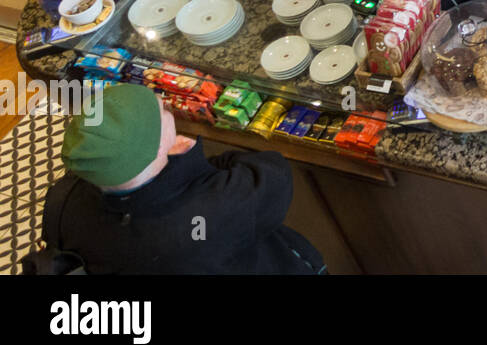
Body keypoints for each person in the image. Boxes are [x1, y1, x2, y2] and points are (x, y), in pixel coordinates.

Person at [42, 83, 325, 274]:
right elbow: (273, 171)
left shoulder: (60, 203)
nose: (166, 106)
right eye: (162, 110)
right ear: (160, 146)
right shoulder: (219, 209)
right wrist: (192, 163)